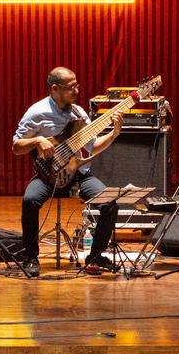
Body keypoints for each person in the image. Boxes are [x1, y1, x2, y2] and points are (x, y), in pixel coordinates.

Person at [13, 67, 123, 277]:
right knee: (30, 200)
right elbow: (16, 147)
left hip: (79, 174)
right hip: (48, 176)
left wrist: (114, 134)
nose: (77, 90)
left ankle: (95, 256)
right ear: (54, 88)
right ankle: (30, 257)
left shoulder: (79, 113)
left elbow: (93, 147)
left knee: (109, 203)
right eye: (71, 86)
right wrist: (37, 140)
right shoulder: (37, 112)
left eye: (77, 85)